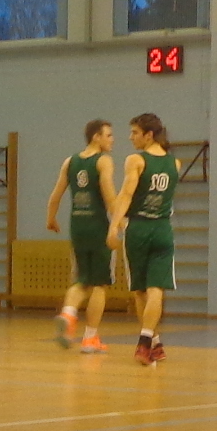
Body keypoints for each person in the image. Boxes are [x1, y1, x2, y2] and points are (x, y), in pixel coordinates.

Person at [111, 113, 182, 366]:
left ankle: (143, 344)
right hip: (163, 229)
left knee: (140, 291)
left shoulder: (136, 160)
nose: (130, 137)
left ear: (149, 135)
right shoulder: (175, 163)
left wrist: (113, 225)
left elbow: (126, 194)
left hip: (139, 228)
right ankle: (154, 343)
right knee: (155, 290)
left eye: (134, 132)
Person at [44, 119, 118, 353]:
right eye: (108, 135)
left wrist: (51, 218)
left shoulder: (70, 162)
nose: (112, 139)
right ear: (96, 137)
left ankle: (68, 315)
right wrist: (119, 222)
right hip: (98, 227)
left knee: (81, 280)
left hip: (77, 226)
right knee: (100, 284)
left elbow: (56, 195)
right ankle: (90, 338)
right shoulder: (103, 161)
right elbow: (109, 196)